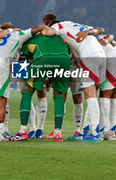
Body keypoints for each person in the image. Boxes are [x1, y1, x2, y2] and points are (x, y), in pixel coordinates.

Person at [41, 13, 105, 142]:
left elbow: (47, 33)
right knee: (91, 93)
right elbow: (100, 29)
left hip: (88, 55)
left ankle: (95, 133)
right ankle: (84, 131)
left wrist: (40, 28)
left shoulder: (58, 26)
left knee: (89, 94)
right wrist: (87, 31)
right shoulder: (76, 25)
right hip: (101, 54)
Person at [0, 23, 44, 141]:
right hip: (0, 66)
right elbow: (36, 29)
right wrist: (48, 28)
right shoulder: (17, 35)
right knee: (1, 100)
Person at [10, 32, 70, 142]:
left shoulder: (29, 40)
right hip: (64, 60)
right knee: (59, 95)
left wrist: (19, 77)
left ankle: (23, 131)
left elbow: (22, 60)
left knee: (27, 91)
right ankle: (58, 133)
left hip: (43, 59)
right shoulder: (59, 38)